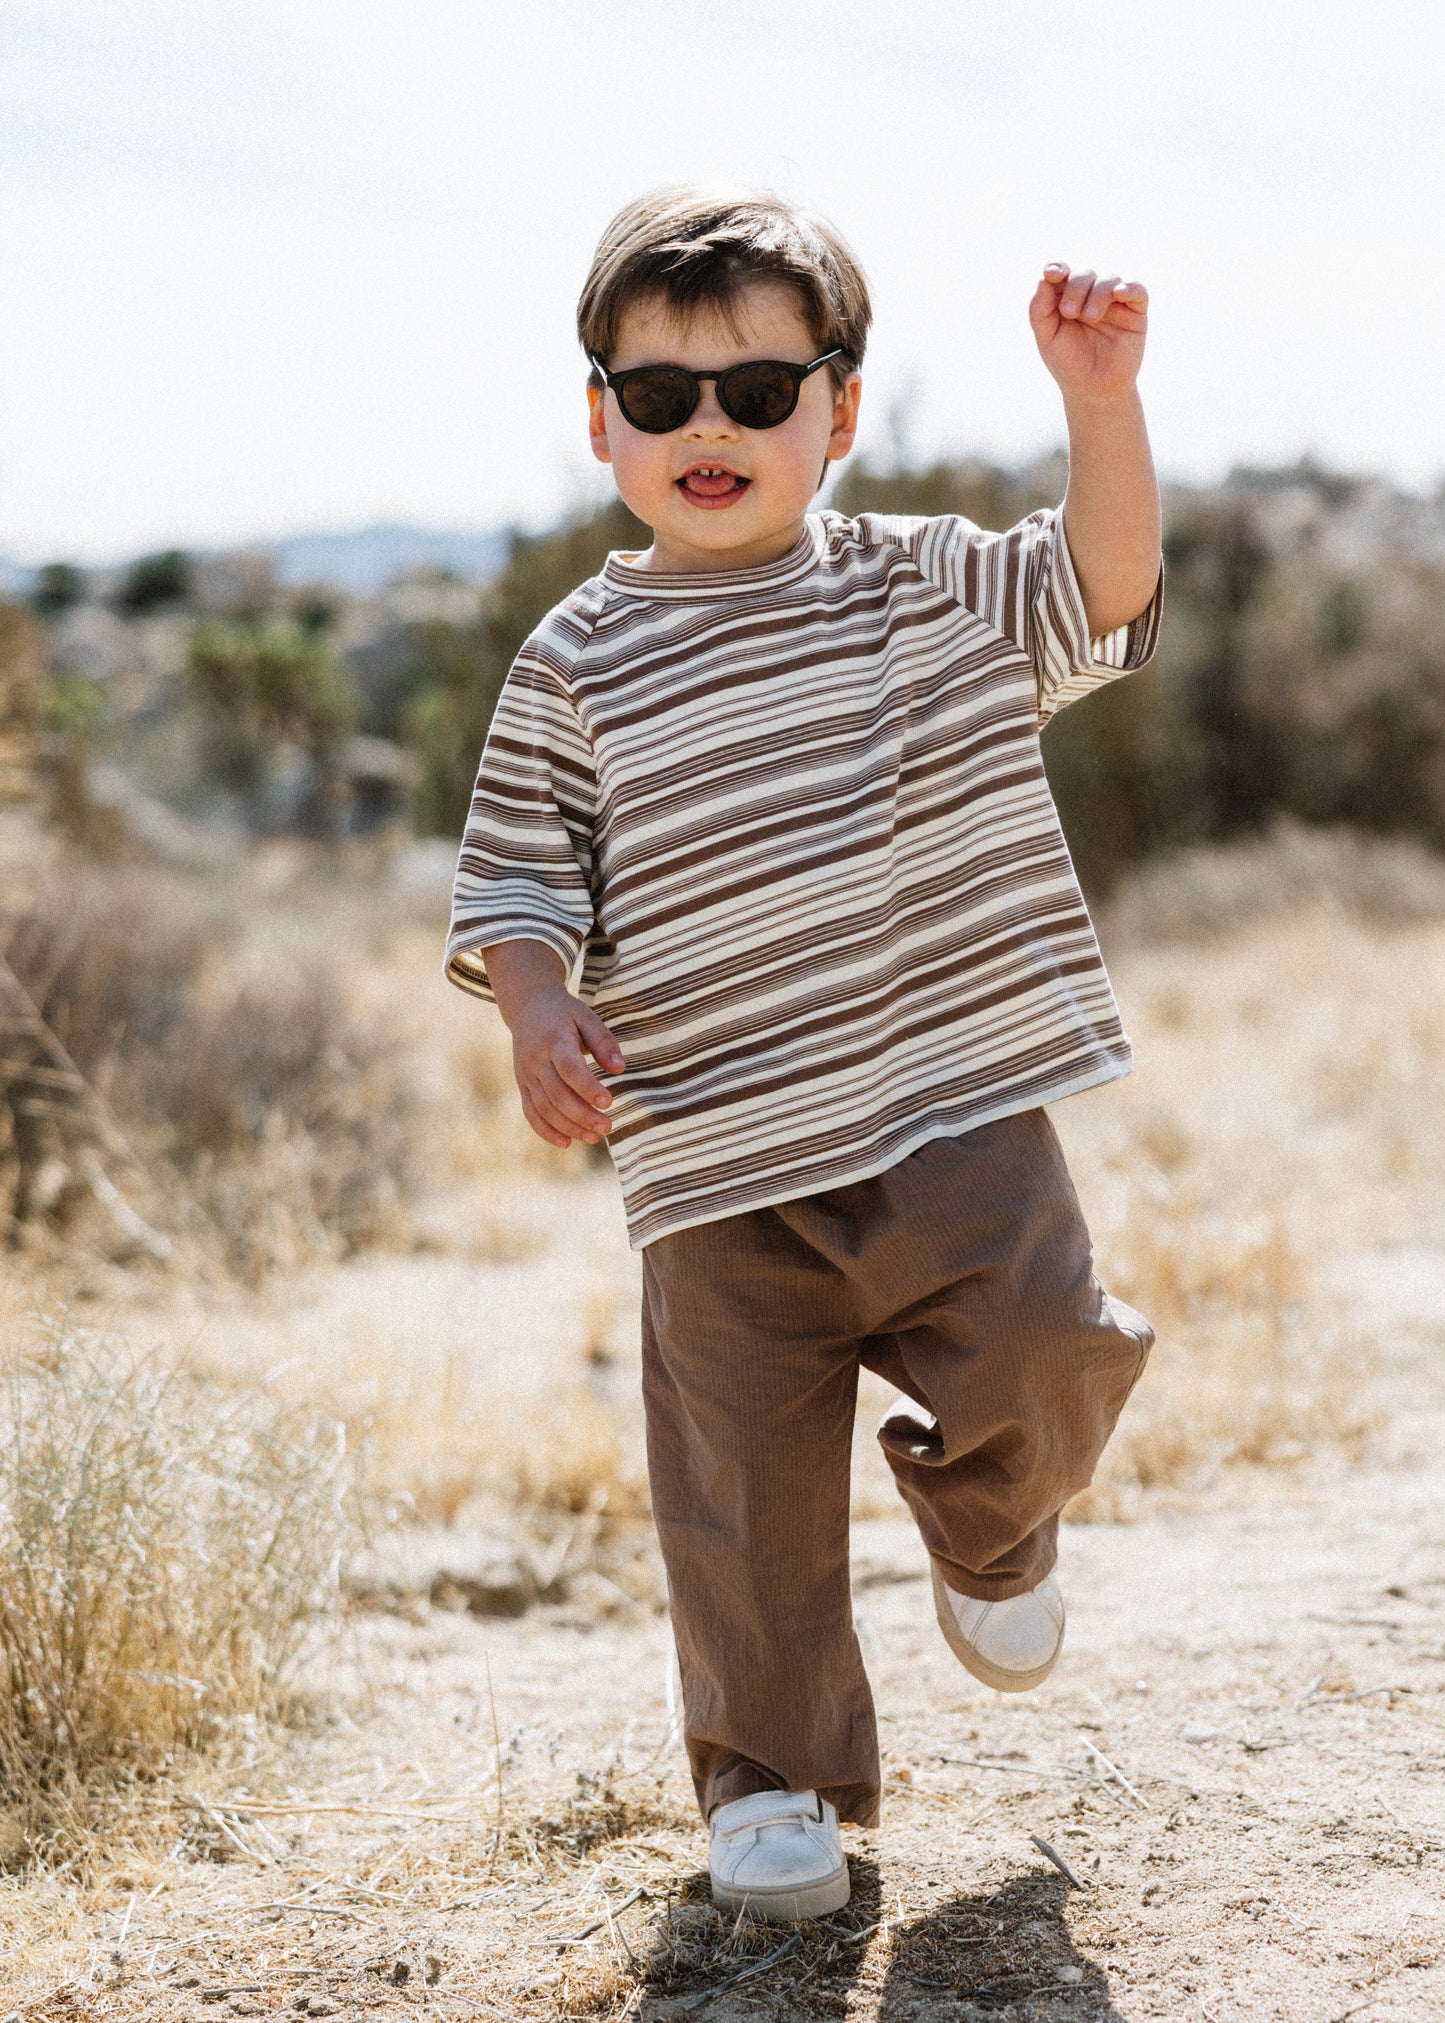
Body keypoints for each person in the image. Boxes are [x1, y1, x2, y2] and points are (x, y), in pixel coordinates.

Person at [446, 187, 1160, 1922]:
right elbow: (522, 875)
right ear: (598, 415)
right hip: (713, 1160)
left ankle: (992, 1536)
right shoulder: (575, 664)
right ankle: (768, 1785)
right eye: (664, 393)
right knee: (738, 1498)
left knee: (1050, 1351)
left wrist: (1098, 402)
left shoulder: (926, 583)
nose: (711, 429)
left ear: (837, 413)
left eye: (760, 395)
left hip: (952, 1109)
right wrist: (541, 1003)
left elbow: (1106, 585)